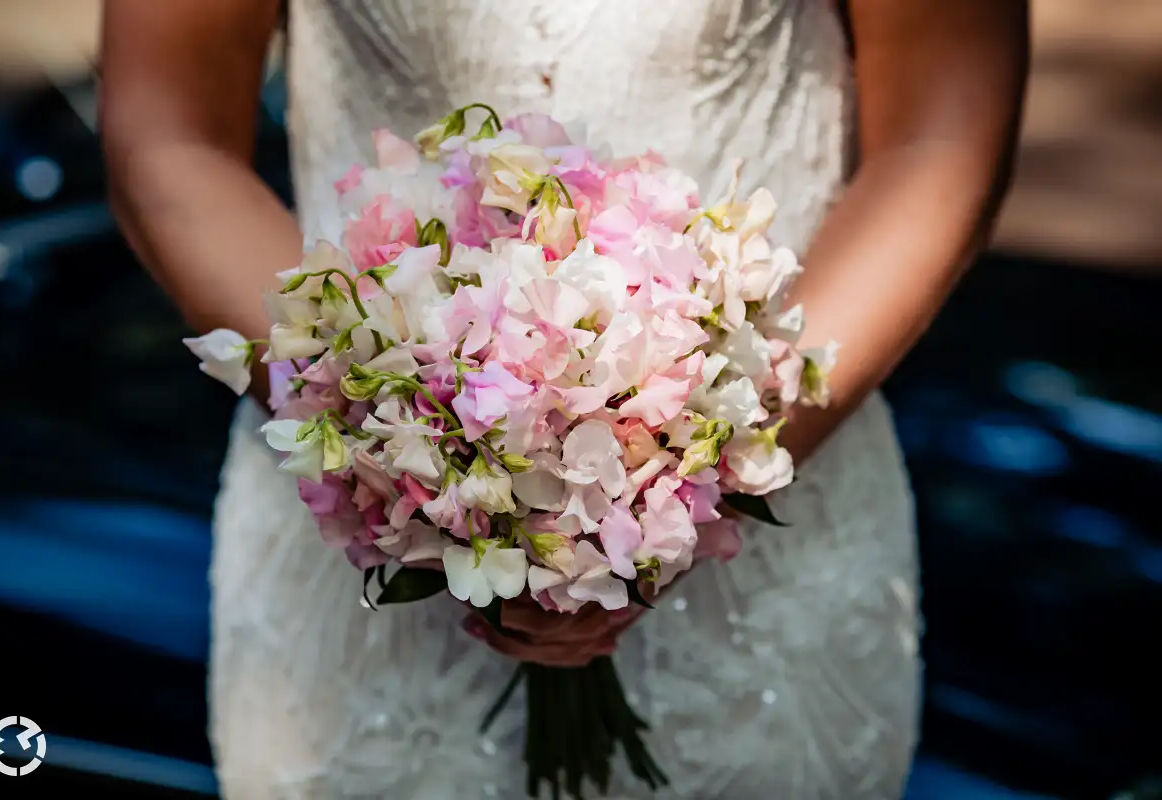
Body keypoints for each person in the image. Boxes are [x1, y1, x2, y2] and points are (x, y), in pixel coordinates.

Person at [100, 1, 1027, 797]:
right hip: (372, 534)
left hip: (777, 514)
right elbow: (170, 133)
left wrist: (673, 480)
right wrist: (389, 453)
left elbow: (938, 136)